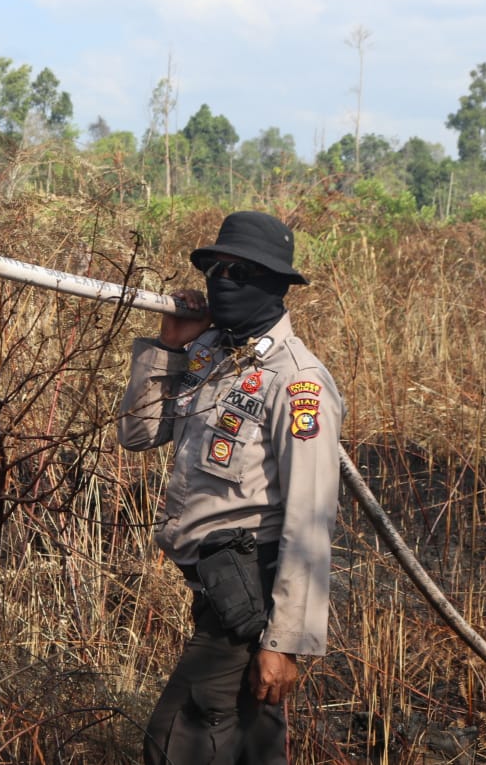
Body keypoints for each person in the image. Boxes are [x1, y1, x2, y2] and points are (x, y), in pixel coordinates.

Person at [116, 211, 343, 765]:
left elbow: (309, 521)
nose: (222, 280)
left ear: (273, 285)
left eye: (240, 271)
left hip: (250, 593)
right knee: (252, 744)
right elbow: (140, 433)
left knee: (176, 740)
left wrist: (283, 642)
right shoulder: (210, 352)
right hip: (211, 584)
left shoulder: (298, 382)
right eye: (216, 267)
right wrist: (170, 348)